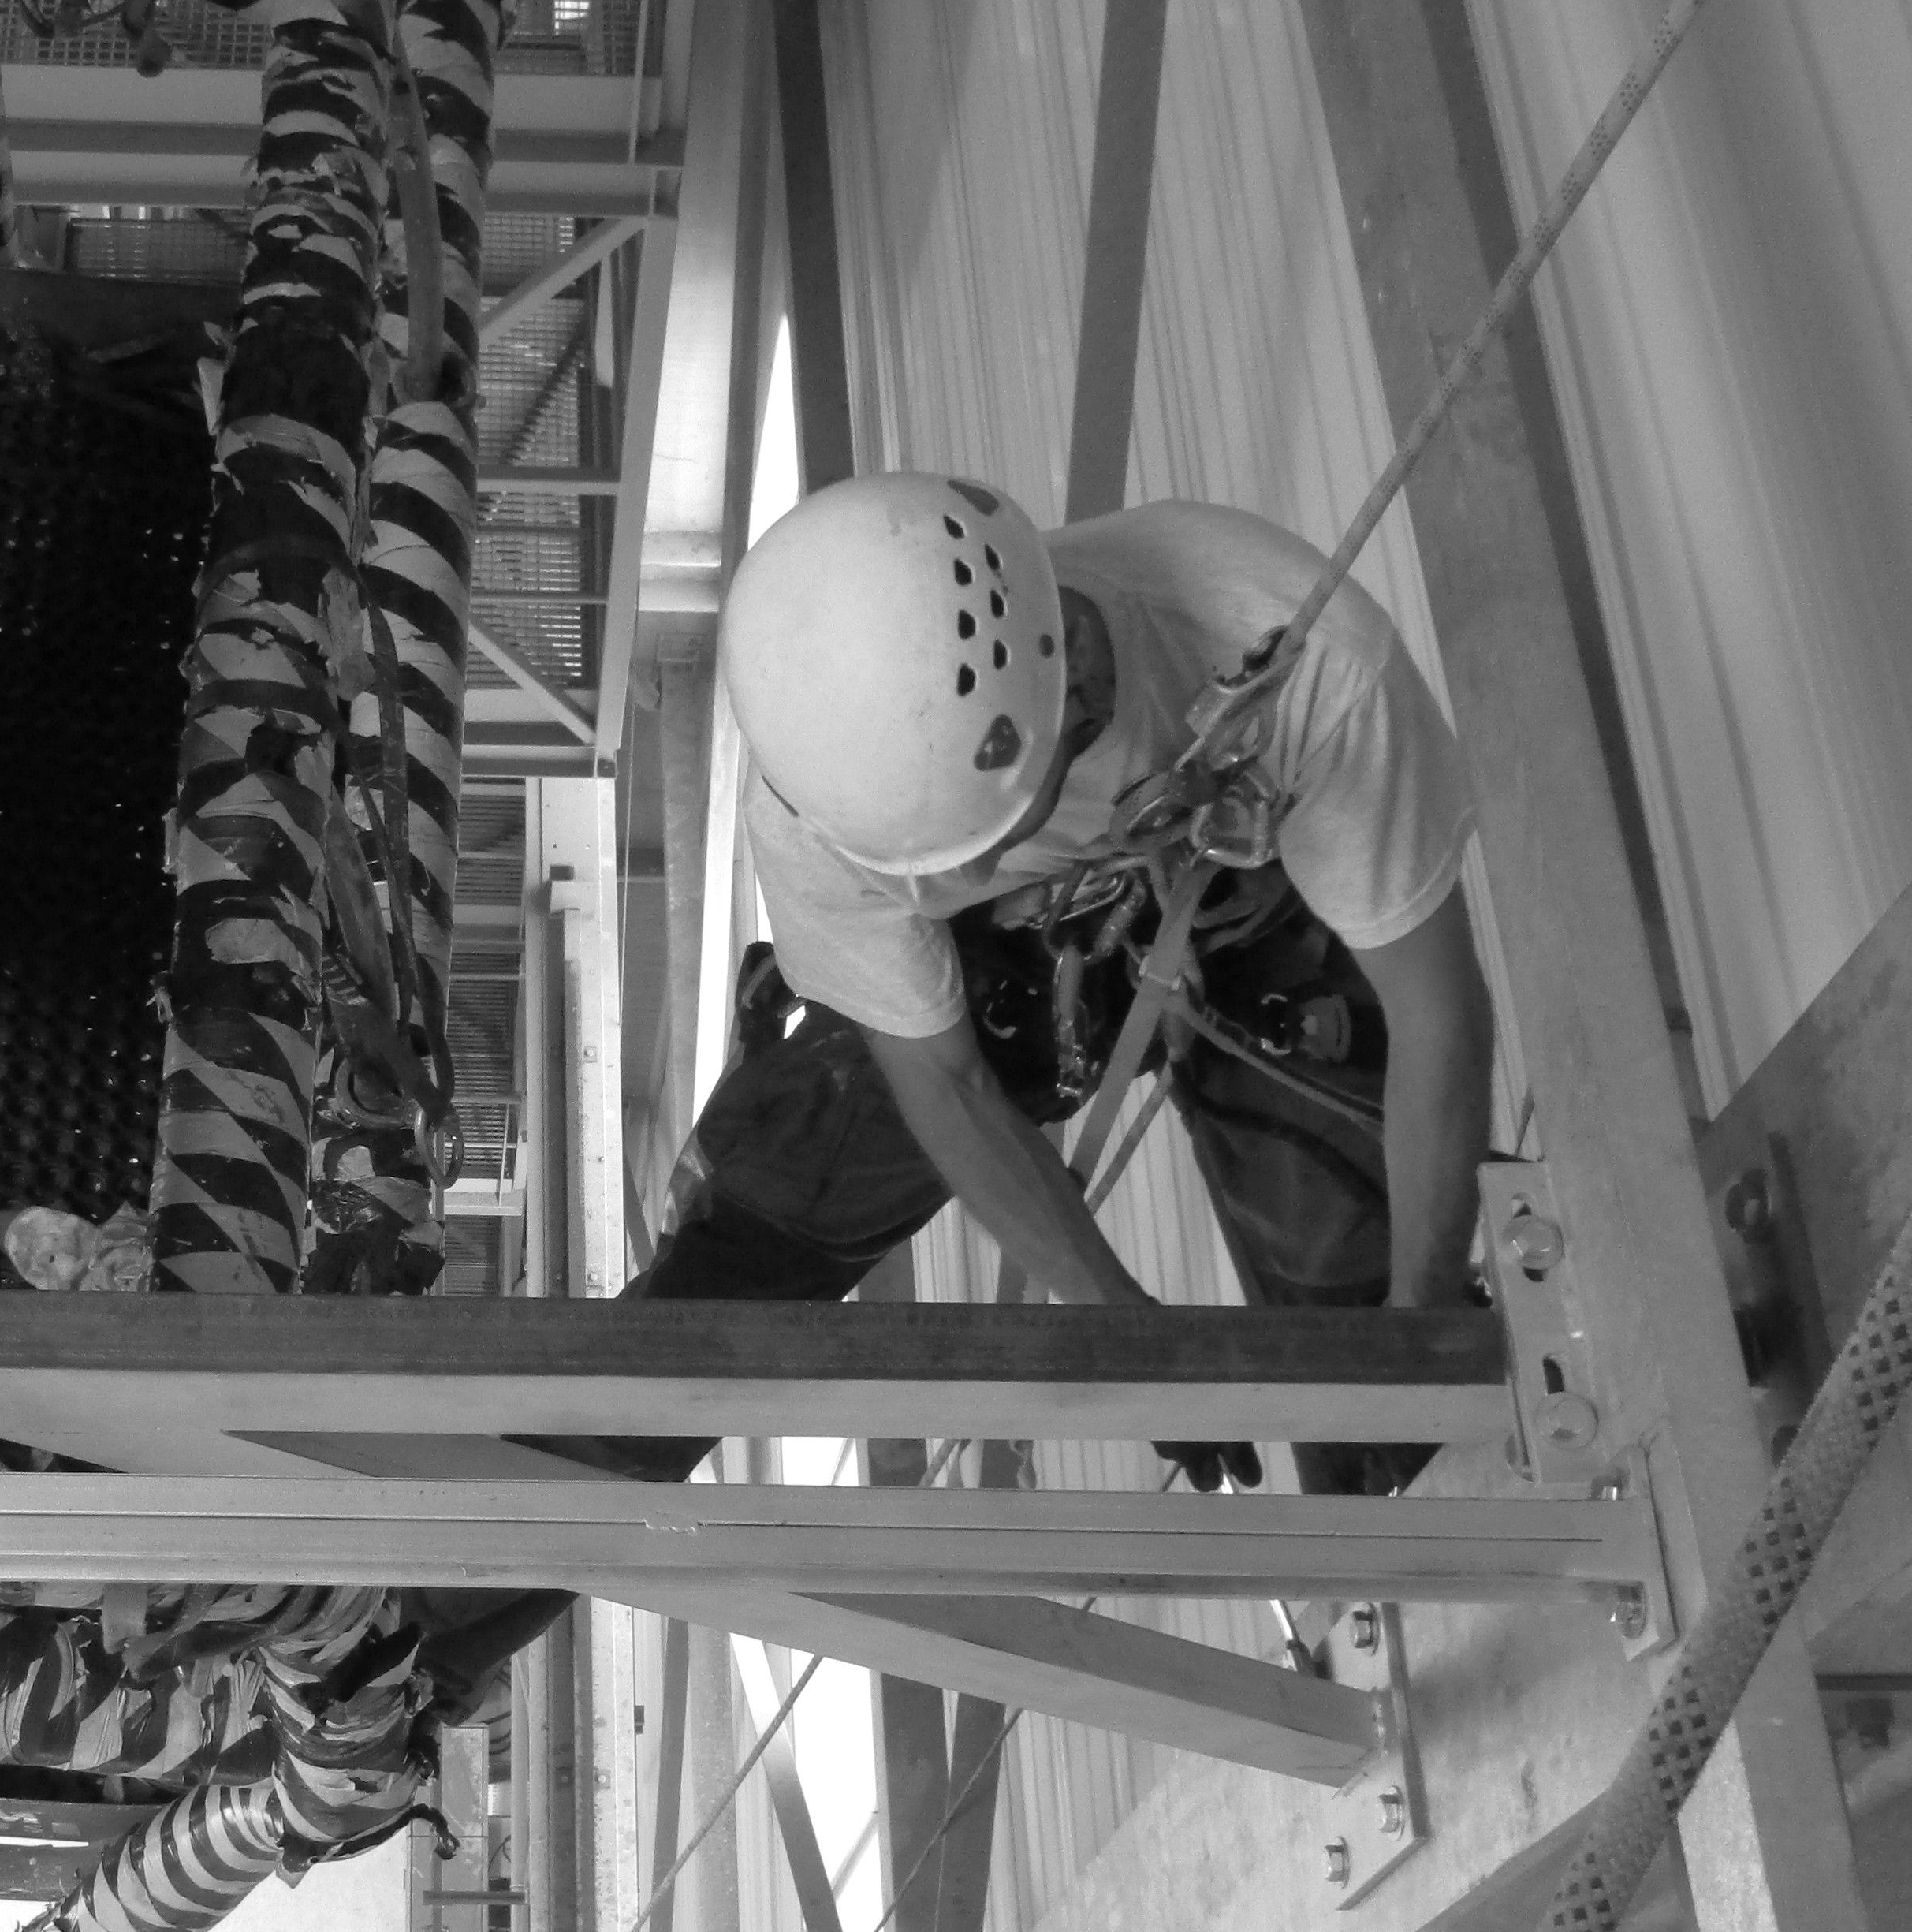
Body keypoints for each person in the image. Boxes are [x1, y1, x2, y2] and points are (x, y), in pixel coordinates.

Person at [551, 472, 1496, 1497]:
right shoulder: (819, 805)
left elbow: (1435, 1016)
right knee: (767, 1222)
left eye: (959, 853)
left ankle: (1397, 1481)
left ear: (1079, 677)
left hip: (1243, 874)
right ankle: (446, 1595)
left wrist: (1418, 1336)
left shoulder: (1301, 668)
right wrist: (1119, 1323)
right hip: (1009, 977)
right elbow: (944, 1085)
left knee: (1369, 1308)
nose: (929, 882)